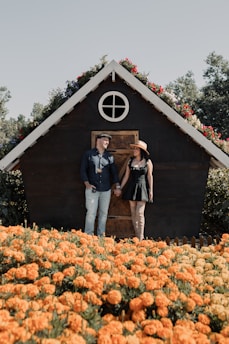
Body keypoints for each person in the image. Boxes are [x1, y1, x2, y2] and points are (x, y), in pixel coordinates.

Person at [80, 133, 121, 236]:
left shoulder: (109, 156)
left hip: (106, 190)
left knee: (103, 214)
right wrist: (87, 184)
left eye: (108, 141)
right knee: (91, 213)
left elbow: (114, 172)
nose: (107, 142)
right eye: (105, 140)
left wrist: (118, 186)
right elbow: (82, 170)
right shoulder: (89, 154)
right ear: (98, 141)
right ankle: (88, 236)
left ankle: (101, 237)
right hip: (92, 189)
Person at [119, 140, 153, 241]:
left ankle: (141, 237)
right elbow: (126, 176)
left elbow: (150, 176)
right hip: (132, 188)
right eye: (134, 148)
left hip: (142, 188)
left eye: (136, 149)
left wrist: (151, 190)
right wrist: (120, 187)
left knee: (140, 213)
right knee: (133, 213)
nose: (134, 150)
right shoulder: (130, 161)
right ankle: (137, 237)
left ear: (141, 151)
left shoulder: (148, 162)